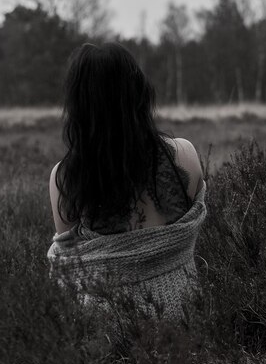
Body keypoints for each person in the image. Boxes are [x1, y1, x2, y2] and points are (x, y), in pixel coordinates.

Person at [47, 42, 206, 322]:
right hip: (184, 317)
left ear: (78, 106)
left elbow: (69, 269)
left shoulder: (66, 178)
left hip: (112, 330)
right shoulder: (184, 155)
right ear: (140, 93)